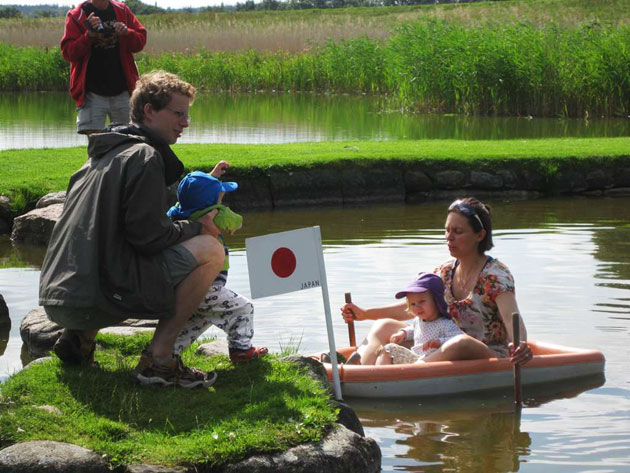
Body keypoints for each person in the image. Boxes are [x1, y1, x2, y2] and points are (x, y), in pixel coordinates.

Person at [40, 70, 225, 389]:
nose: (185, 123)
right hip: (93, 299)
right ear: (149, 111)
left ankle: (79, 339)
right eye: (178, 114)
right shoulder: (145, 156)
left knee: (114, 251)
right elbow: (150, 238)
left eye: (187, 115)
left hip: (58, 297)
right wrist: (198, 227)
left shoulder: (100, 156)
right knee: (211, 250)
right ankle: (159, 360)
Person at [341, 197, 533, 366]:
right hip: (439, 346)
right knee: (383, 326)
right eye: (447, 230)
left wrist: (521, 345)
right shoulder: (445, 271)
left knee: (461, 342)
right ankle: (357, 373)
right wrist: (365, 314)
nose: (449, 237)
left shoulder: (495, 276)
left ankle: (409, 371)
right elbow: (415, 305)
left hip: (485, 353)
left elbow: (511, 317)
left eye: (458, 231)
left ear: (479, 235)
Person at [167, 167, 268, 362]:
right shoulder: (215, 213)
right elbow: (236, 222)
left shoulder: (179, 213)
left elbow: (190, 196)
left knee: (199, 318)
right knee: (244, 308)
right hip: (207, 286)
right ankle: (241, 350)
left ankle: (167, 352)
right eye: (220, 195)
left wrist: (211, 179)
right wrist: (220, 208)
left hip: (186, 286)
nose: (222, 198)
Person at [61, 0, 147, 135]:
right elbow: (68, 53)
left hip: (123, 90)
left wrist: (127, 32)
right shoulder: (77, 15)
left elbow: (140, 42)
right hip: (91, 92)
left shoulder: (122, 10)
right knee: (96, 141)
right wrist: (88, 36)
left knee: (127, 140)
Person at [373, 273, 464, 365]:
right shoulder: (418, 320)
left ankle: (382, 373)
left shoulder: (445, 324)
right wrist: (403, 333)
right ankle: (380, 372)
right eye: (413, 304)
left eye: (422, 302)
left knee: (389, 349)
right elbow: (413, 329)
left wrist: (440, 341)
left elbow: (459, 339)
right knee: (387, 349)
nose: (417, 307)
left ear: (437, 300)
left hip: (433, 361)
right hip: (416, 358)